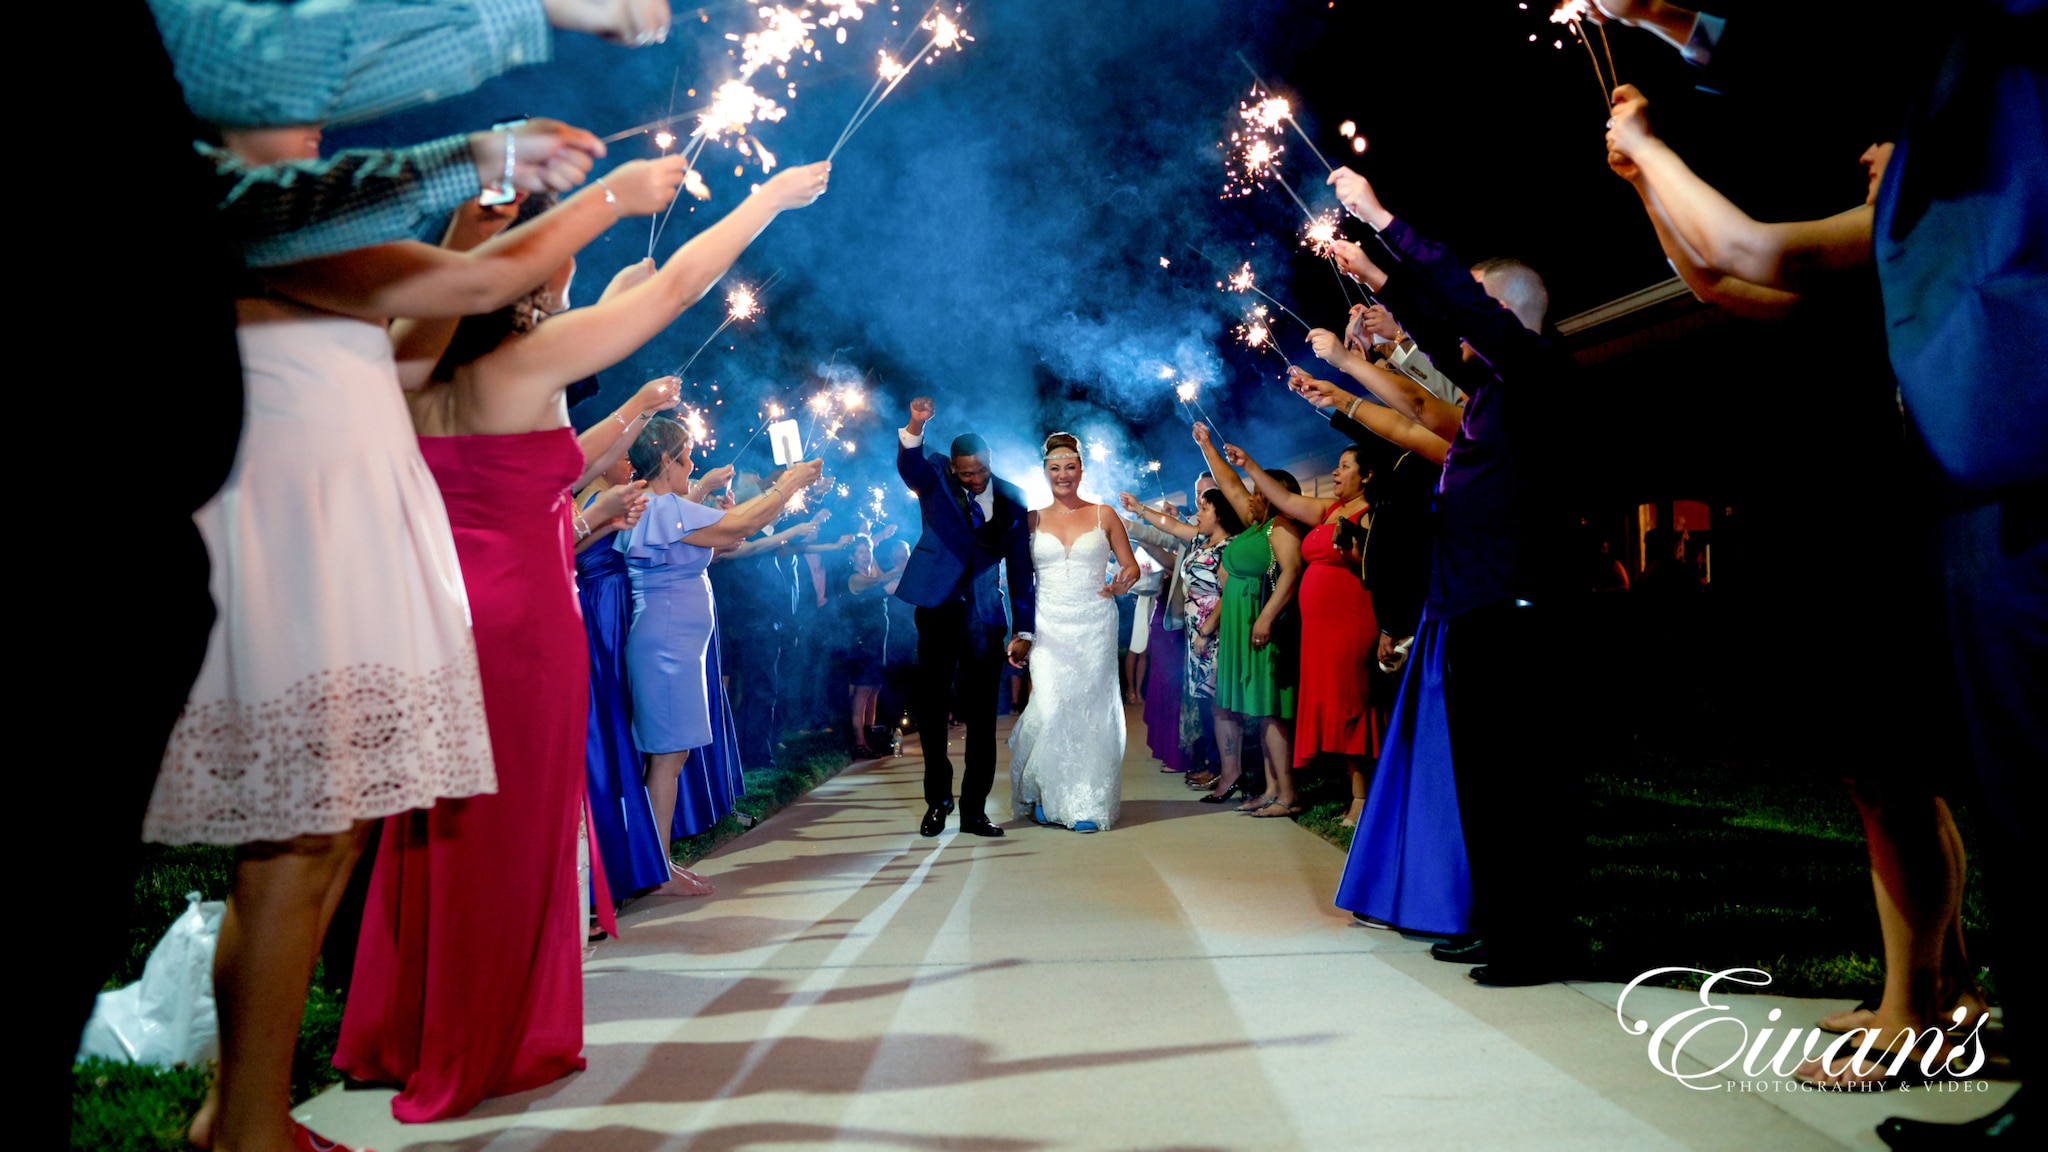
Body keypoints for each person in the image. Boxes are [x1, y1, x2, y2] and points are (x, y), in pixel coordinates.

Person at [333, 161, 829, 1122]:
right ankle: (481, 1041)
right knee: (502, 832)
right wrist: (766, 201)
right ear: (516, 281)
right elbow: (681, 283)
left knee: (439, 825)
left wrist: (630, 399)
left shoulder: (417, 361)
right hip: (521, 622)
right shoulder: (524, 362)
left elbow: (551, 454)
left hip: (437, 612)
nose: (565, 273)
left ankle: (410, 1026)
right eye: (549, 259)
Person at [1327, 164, 1586, 987]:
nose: (1461, 320)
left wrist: (1381, 220)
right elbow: (1444, 329)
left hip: (1516, 611)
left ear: (1507, 314)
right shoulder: (1489, 389)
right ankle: (1501, 923)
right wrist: (1375, 280)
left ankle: (1538, 938)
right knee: (1483, 783)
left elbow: (1460, 307)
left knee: (1520, 784)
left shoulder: (1538, 376)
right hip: (1472, 607)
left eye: (1480, 303)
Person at [621, 419, 821, 891]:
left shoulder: (668, 506)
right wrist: (788, 483)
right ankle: (657, 867)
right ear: (668, 461)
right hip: (665, 644)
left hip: (676, 643)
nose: (693, 466)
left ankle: (658, 860)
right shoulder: (655, 505)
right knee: (666, 756)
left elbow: (724, 541)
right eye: (687, 457)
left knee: (672, 754)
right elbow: (743, 526)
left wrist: (716, 509)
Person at [894, 398, 1038, 838]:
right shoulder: (936, 477)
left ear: (989, 462)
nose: (972, 480)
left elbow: (1019, 567)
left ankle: (974, 810)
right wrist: (916, 425)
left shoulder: (1012, 497)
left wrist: (1024, 628)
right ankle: (937, 803)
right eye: (964, 473)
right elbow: (910, 467)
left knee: (981, 719)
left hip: (985, 618)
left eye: (977, 472)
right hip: (936, 611)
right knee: (934, 714)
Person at [1219, 434, 1377, 823]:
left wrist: (1351, 550)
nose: (1336, 473)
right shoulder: (1328, 509)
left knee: (1350, 707)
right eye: (1336, 465)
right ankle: (1349, 792)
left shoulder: (1370, 513)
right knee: (1332, 706)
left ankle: (1362, 798)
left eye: (1344, 467)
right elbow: (1286, 500)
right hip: (1320, 628)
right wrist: (1248, 463)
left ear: (1368, 476)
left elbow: (1376, 566)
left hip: (1350, 620)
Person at [1009, 433, 1141, 831]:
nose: (1063, 475)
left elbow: (1130, 565)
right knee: (1051, 708)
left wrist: (1125, 580)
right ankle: (1049, 792)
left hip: (1095, 621)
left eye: (1070, 467)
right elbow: (1019, 581)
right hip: (1048, 626)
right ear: (1045, 472)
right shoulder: (1031, 519)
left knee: (1088, 711)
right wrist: (1022, 632)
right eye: (1055, 468)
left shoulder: (1104, 515)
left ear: (1081, 469)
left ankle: (1085, 802)